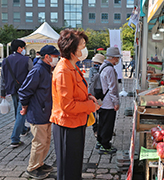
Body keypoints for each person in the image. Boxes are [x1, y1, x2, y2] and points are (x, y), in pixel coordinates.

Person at [50, 29, 100, 180]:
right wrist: (91, 107)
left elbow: (77, 91)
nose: (85, 48)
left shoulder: (73, 66)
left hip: (77, 122)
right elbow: (68, 106)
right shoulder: (63, 70)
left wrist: (89, 97)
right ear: (72, 48)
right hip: (67, 124)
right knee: (68, 169)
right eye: (82, 45)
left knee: (74, 164)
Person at [18, 45, 60, 179]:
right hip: (38, 112)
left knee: (46, 141)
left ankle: (39, 163)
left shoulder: (47, 69)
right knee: (39, 141)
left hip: (46, 111)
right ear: (46, 57)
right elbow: (24, 91)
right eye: (54, 57)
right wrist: (24, 106)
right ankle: (32, 168)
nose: (56, 59)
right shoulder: (38, 70)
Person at [0, 39, 32, 147]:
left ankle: (23, 129)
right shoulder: (27, 60)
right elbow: (32, 76)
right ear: (19, 48)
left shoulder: (5, 60)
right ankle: (14, 138)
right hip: (25, 91)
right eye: (23, 47)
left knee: (18, 112)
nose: (23, 49)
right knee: (21, 112)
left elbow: (3, 78)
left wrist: (2, 92)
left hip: (12, 90)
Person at [97, 47, 121, 155]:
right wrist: (116, 102)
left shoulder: (103, 66)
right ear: (114, 58)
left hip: (102, 100)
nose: (118, 60)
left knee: (102, 122)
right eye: (117, 58)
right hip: (108, 102)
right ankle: (105, 146)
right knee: (108, 125)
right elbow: (113, 88)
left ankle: (100, 141)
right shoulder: (110, 69)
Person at [88, 54, 105, 138]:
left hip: (101, 94)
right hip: (94, 93)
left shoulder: (104, 70)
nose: (95, 63)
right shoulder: (92, 70)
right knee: (94, 112)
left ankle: (102, 129)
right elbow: (91, 83)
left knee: (101, 112)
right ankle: (96, 130)